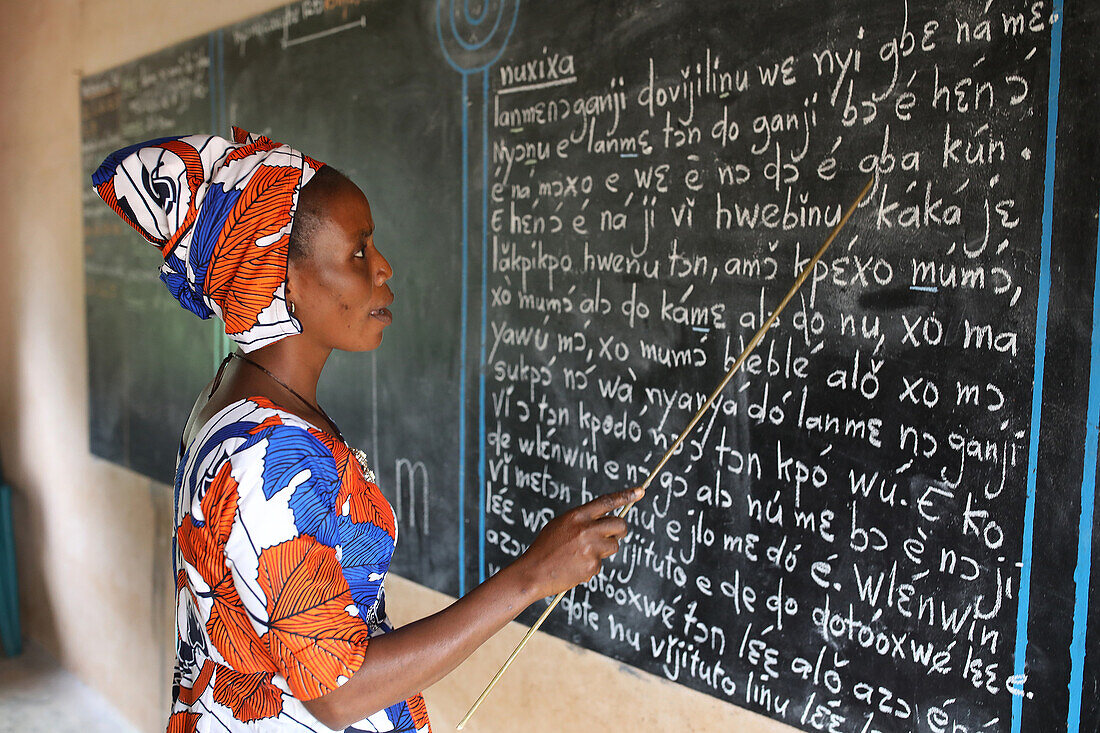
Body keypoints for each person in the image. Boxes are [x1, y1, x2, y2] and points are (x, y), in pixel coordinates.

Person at [92, 128, 642, 732]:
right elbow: (338, 692)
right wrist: (530, 576)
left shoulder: (241, 396)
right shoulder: (269, 450)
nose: (382, 267)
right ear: (285, 279)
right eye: (358, 251)